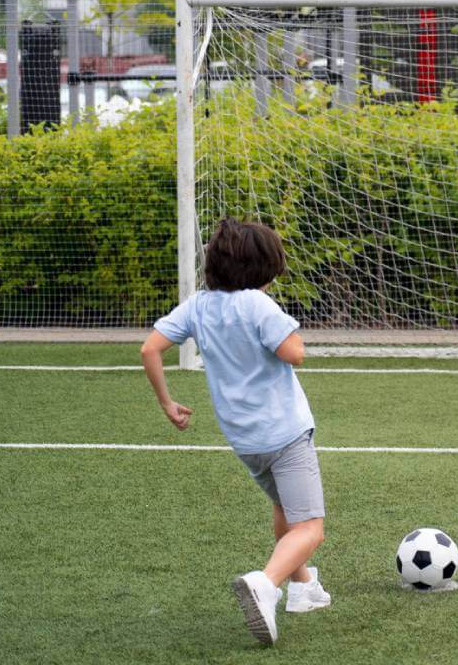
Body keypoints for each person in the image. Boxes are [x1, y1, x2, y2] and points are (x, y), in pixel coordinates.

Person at [140, 218, 329, 646]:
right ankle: (267, 584)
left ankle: (304, 589)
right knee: (311, 527)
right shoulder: (258, 306)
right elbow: (294, 354)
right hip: (285, 433)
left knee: (286, 508)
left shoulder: (198, 306)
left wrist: (167, 403)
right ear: (265, 267)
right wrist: (286, 326)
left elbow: (150, 348)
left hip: (245, 441)